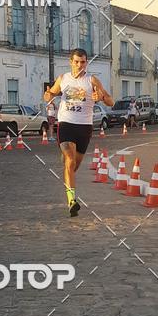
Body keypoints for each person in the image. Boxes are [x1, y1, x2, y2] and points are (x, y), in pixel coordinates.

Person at [43, 48, 114, 217]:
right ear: (71, 62)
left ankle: (68, 175)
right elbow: (50, 94)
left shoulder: (92, 80)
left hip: (84, 127)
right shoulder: (63, 79)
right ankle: (72, 201)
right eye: (77, 62)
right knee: (69, 159)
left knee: (74, 164)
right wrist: (47, 95)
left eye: (83, 62)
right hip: (66, 123)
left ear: (86, 63)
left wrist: (101, 98)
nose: (80, 65)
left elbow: (111, 102)